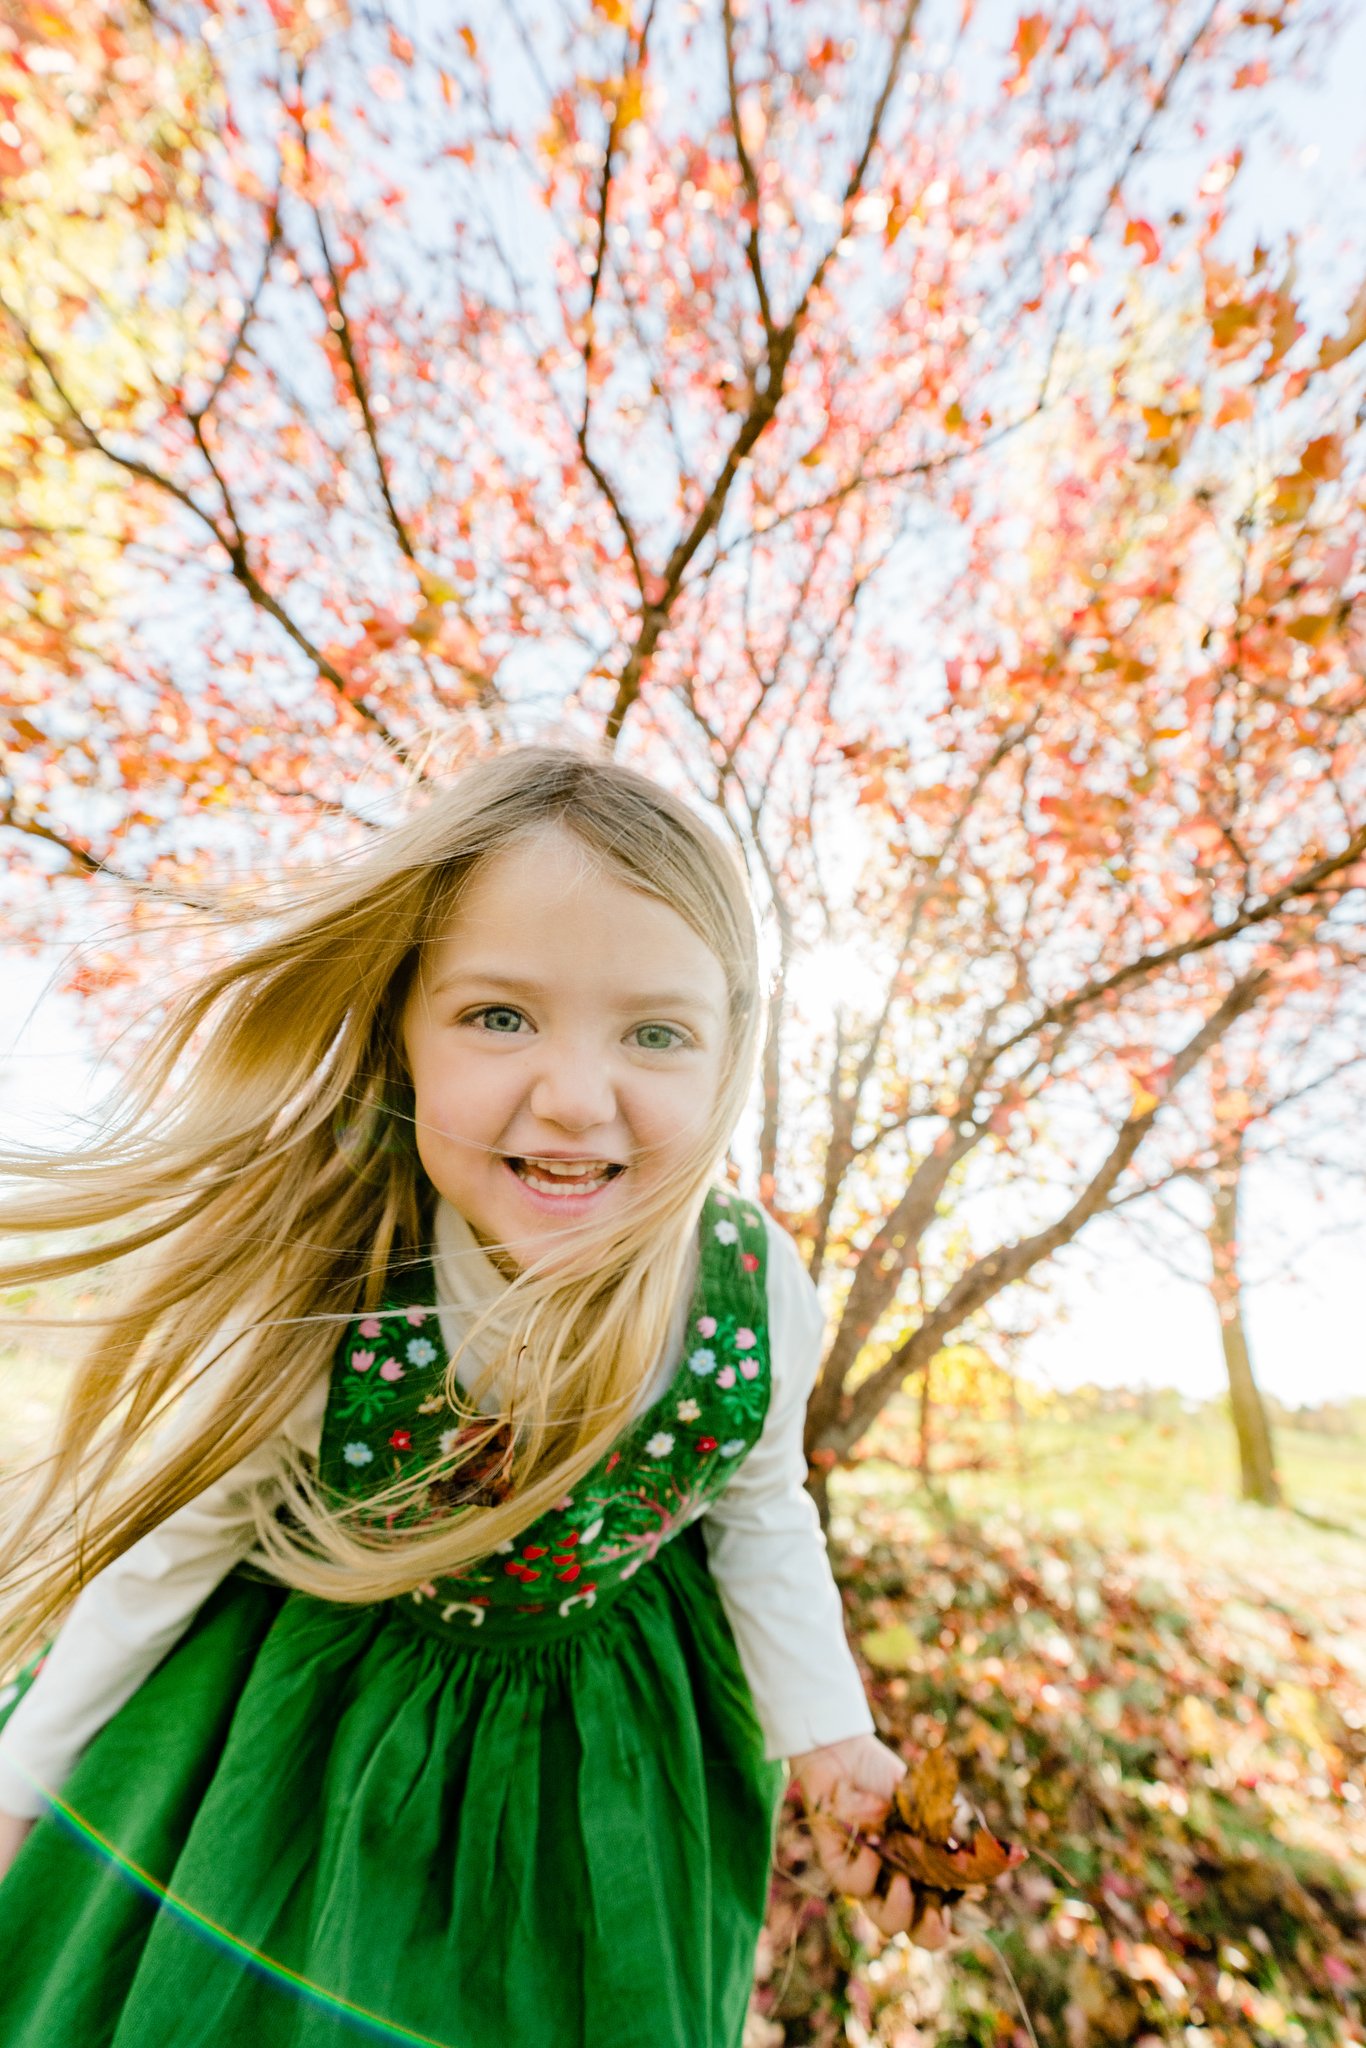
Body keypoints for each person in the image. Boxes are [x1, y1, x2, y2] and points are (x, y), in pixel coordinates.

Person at [0, 743, 942, 2048]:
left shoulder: (748, 1280)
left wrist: (832, 1746)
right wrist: (19, 1792)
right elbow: (177, 1542)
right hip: (323, 1733)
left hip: (609, 1751)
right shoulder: (335, 1271)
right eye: (498, 1016)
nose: (571, 1096)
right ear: (404, 1027)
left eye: (655, 1034)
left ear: (728, 1056)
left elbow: (758, 1507)